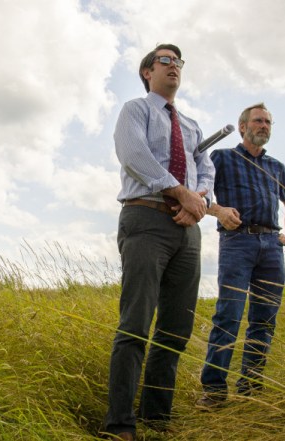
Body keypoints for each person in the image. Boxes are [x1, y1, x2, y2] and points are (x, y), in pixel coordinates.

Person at [102, 43, 214, 440]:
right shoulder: (137, 110)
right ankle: (120, 425)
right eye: (165, 61)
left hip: (188, 230)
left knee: (176, 328)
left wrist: (196, 200)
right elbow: (133, 154)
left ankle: (156, 418)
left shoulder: (192, 126)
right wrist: (176, 191)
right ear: (147, 71)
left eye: (179, 62)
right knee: (135, 325)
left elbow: (205, 168)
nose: (174, 67)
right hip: (146, 219)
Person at [197, 102, 285, 407]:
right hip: (237, 243)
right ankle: (214, 391)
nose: (264, 126)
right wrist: (218, 211)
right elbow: (201, 195)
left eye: (268, 122)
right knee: (228, 315)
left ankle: (250, 388)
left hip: (271, 247)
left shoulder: (276, 166)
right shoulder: (223, 158)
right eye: (258, 121)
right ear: (242, 127)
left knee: (264, 320)